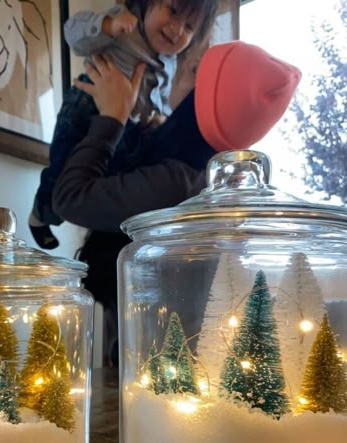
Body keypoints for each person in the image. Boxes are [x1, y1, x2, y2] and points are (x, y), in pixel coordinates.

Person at [52, 42, 302, 366]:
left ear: (201, 93)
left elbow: (70, 198)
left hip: (159, 375)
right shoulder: (202, 180)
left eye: (191, 68)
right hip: (179, 368)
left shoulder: (176, 183)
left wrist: (112, 119)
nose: (175, 74)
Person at [29, 0, 219, 249]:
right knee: (60, 167)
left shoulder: (170, 63)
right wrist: (108, 25)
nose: (176, 30)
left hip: (128, 125)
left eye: (189, 27)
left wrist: (158, 118)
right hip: (86, 107)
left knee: (110, 176)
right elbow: (73, 33)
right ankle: (39, 216)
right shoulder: (124, 24)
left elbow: (159, 98)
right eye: (172, 12)